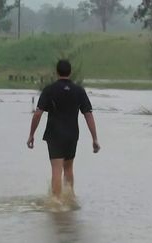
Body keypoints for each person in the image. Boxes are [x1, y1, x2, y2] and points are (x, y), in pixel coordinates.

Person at [27, 60, 100, 201]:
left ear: (56, 72)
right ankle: (69, 200)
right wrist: (94, 138)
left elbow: (38, 113)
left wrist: (31, 134)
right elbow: (88, 114)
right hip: (72, 135)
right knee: (68, 168)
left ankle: (56, 203)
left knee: (56, 169)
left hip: (54, 134)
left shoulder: (49, 90)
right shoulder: (79, 91)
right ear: (70, 72)